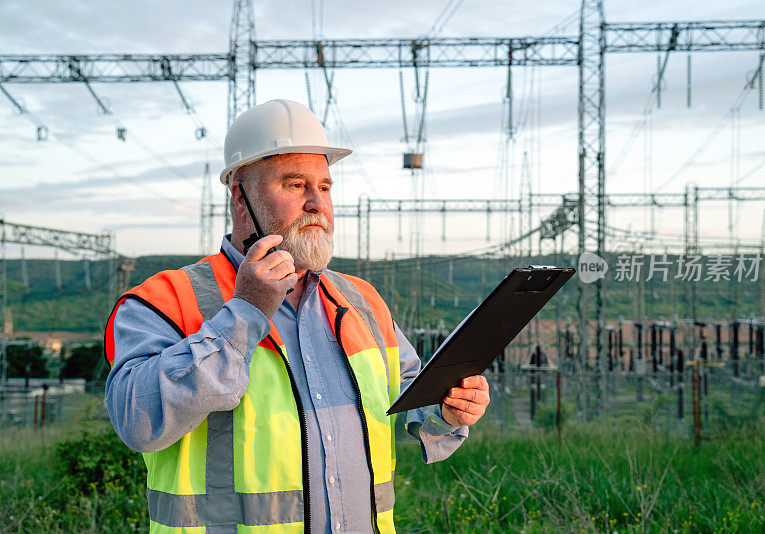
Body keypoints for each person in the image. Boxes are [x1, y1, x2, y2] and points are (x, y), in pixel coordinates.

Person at [105, 99, 491, 534]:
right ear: (240, 197)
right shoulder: (165, 300)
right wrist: (246, 312)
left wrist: (447, 410)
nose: (316, 203)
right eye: (294, 184)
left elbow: (404, 409)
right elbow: (138, 422)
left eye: (324, 187)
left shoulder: (361, 302)